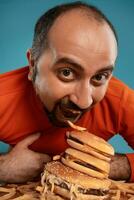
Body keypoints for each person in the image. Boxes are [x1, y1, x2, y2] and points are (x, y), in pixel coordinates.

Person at [0, 1, 134, 183]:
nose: (84, 101)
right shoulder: (4, 96)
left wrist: (108, 166)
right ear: (32, 65)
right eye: (67, 72)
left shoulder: (119, 100)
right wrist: (4, 168)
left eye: (100, 76)